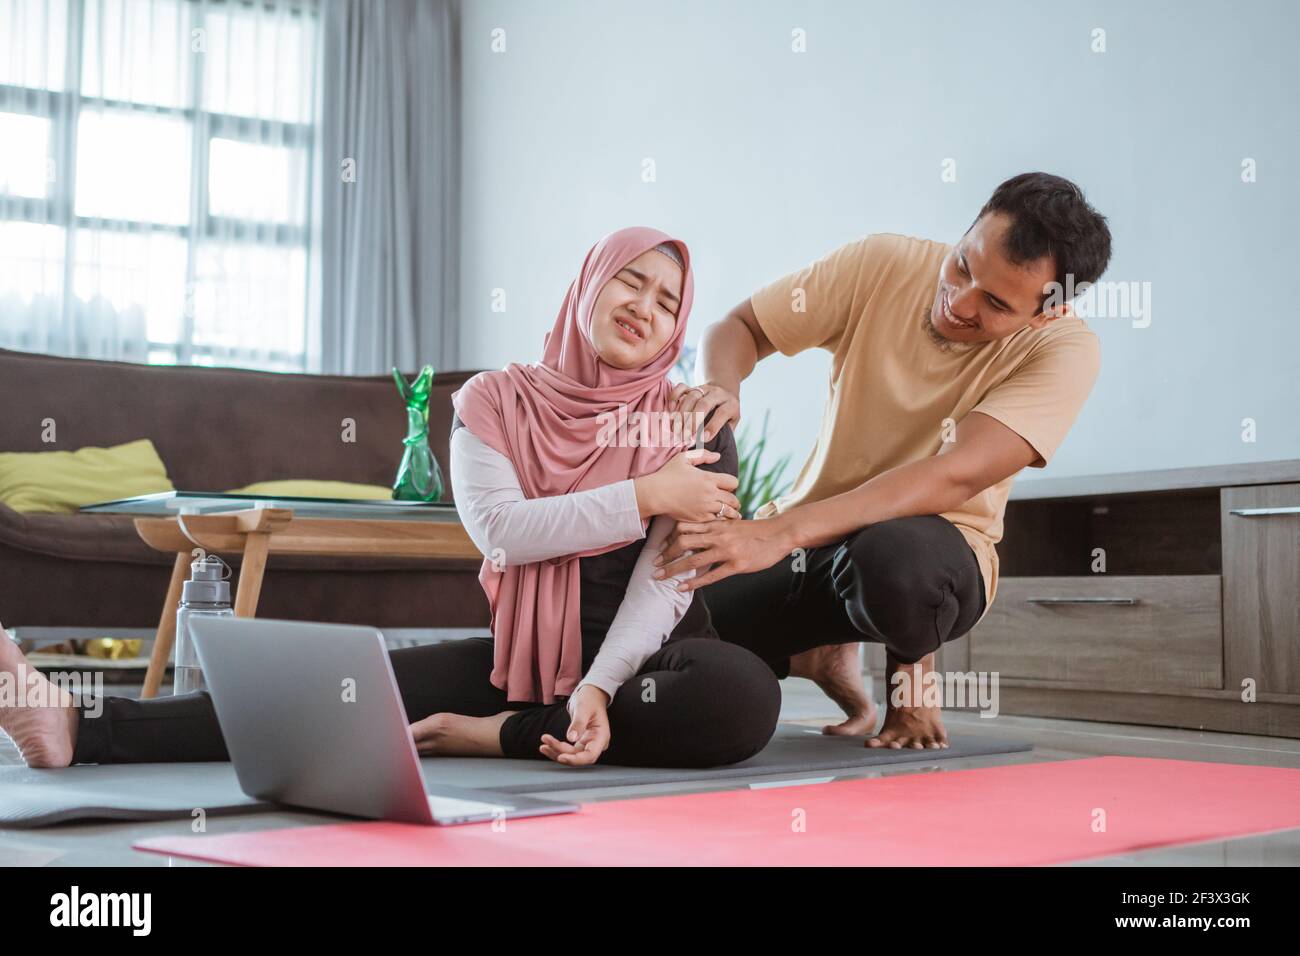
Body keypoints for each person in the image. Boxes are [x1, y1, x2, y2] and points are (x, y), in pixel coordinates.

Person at [0, 226, 781, 770]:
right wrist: (645, 491)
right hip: (524, 662)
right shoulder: (493, 402)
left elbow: (667, 583)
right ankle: (81, 726)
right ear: (588, 283)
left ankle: (503, 736)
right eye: (631, 280)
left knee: (741, 696)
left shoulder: (693, 418)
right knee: (338, 694)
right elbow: (504, 534)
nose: (646, 307)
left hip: (649, 661)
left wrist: (600, 688)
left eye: (670, 301)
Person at [656, 173, 1112, 751]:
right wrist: (722, 389)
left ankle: (908, 675)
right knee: (666, 633)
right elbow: (740, 327)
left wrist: (774, 534)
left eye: (996, 303)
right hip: (809, 544)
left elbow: (954, 475)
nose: (959, 303)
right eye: (963, 266)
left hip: (930, 553)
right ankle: (814, 656)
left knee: (896, 555)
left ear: (1045, 313)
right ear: (968, 231)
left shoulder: (1064, 349)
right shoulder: (883, 262)